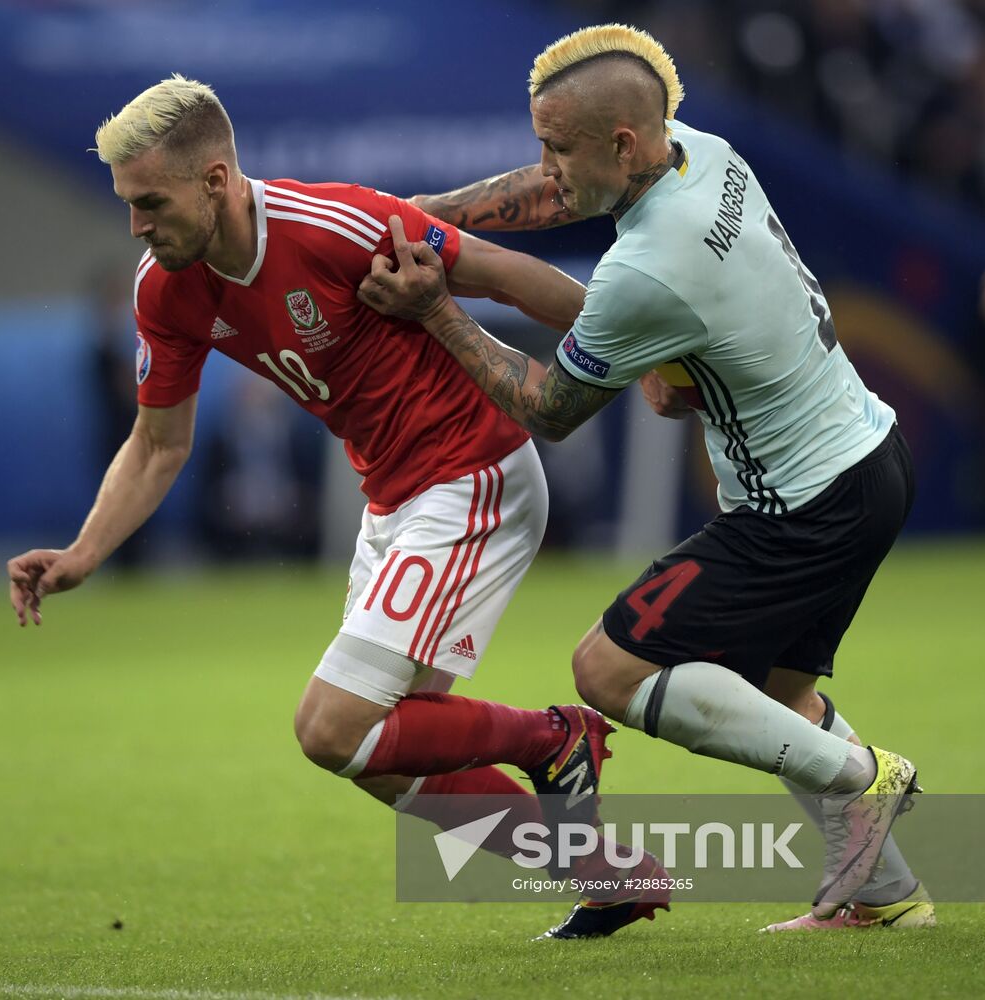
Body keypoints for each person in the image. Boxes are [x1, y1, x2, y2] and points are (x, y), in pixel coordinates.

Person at [6, 75, 667, 937]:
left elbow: (508, 278)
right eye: (126, 204)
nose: (135, 225)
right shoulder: (164, 288)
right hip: (391, 502)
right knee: (383, 753)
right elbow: (158, 442)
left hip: (472, 476)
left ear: (214, 181)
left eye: (150, 202)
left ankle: (552, 740)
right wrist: (84, 552)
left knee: (331, 728)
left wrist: (648, 352)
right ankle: (603, 875)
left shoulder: (338, 224)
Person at [358, 24, 930, 936]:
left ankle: (864, 778)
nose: (547, 166)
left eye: (558, 145)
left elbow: (548, 408)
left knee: (608, 667)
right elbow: (556, 196)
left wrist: (435, 308)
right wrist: (427, 212)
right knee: (778, 699)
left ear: (622, 143)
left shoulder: (647, 268)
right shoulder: (703, 152)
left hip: (800, 504)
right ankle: (884, 896)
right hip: (868, 458)